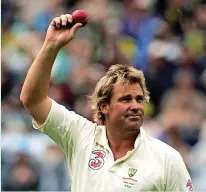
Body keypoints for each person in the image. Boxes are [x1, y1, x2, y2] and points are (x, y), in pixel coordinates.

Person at [20, 13, 194, 192]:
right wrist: (51, 45)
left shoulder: (167, 158)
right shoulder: (81, 136)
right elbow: (33, 100)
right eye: (126, 99)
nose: (135, 106)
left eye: (139, 99)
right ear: (104, 106)